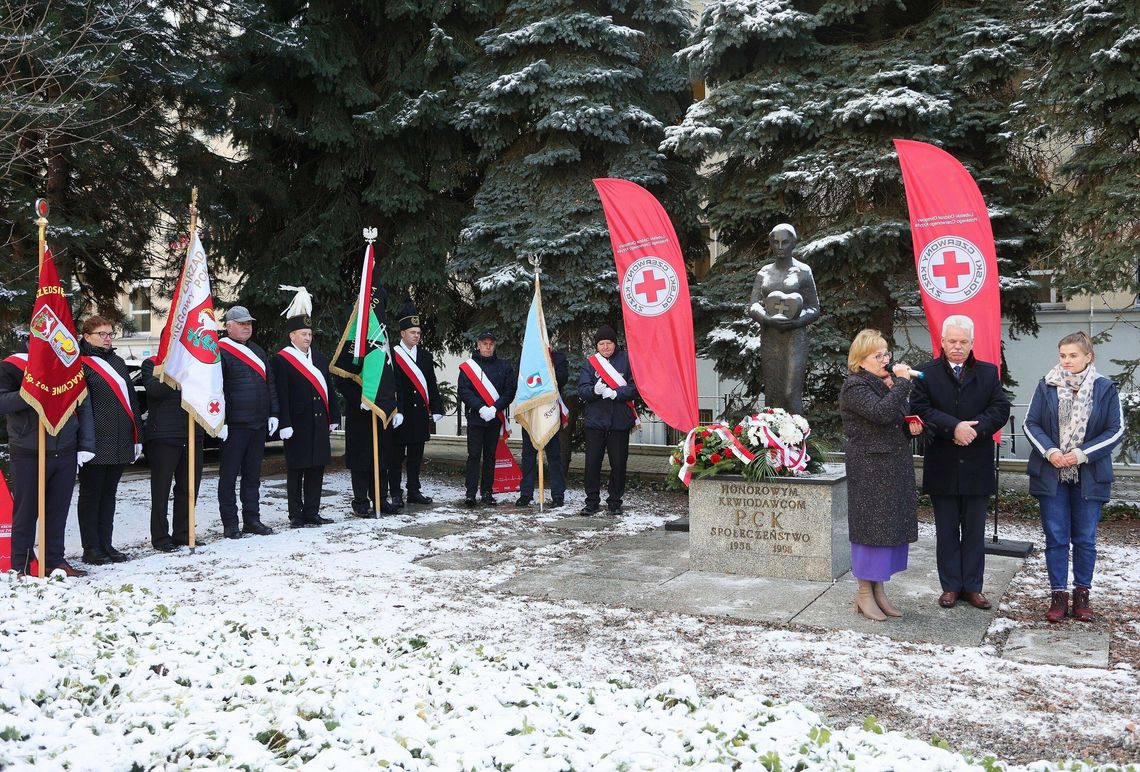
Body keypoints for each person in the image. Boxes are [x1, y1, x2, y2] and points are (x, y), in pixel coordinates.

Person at [911, 314, 1010, 610]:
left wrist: (973, 430)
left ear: (972, 343)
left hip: (976, 463)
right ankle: (951, 586)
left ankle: (973, 587)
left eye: (963, 342)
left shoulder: (989, 372)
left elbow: (1000, 408)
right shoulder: (925, 373)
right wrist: (953, 426)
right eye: (952, 341)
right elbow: (920, 408)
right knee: (946, 530)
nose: (957, 347)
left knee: (974, 531)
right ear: (942, 342)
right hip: (943, 464)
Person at [1023, 331, 1123, 623]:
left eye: (1073, 355)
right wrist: (1051, 451)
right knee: (1055, 537)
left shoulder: (1105, 388)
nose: (1066, 361)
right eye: (1063, 355)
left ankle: (1082, 595)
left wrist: (1081, 454)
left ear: (1088, 357)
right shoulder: (1046, 385)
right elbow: (1032, 424)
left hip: (1089, 475)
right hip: (1051, 474)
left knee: (1085, 539)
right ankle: (1058, 595)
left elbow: (1114, 431)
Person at [838, 329, 923, 620]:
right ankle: (863, 594)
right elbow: (880, 413)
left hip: (893, 465)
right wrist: (900, 383)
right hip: (870, 470)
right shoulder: (855, 386)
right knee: (870, 531)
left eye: (887, 353)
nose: (886, 359)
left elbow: (893, 419)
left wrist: (910, 425)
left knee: (888, 530)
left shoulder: (885, 384)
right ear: (861, 359)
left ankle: (879, 591)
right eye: (879, 355)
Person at [1, 345, 94, 575]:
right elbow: (3, 402)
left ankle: (54, 560)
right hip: (28, 449)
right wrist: (31, 393)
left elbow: (83, 405)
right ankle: (21, 566)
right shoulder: (12, 366)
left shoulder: (68, 367)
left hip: (64, 448)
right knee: (26, 511)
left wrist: (85, 444)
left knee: (57, 511)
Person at [272, 288, 341, 528]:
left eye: (310, 334)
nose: (307, 338)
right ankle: (296, 514)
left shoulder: (319, 359)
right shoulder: (282, 360)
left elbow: (329, 390)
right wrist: (284, 422)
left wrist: (334, 416)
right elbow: (280, 394)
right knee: (297, 470)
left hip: (319, 422)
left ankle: (312, 511)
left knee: (316, 469)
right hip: (297, 424)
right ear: (292, 336)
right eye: (303, 334)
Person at [77, 316, 142, 564]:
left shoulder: (117, 361)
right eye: (101, 334)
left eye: (110, 334)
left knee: (109, 495)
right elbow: (80, 406)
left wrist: (138, 435)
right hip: (94, 441)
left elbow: (132, 401)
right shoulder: (80, 364)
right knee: (91, 495)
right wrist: (83, 442)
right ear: (86, 336)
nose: (107, 338)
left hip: (120, 438)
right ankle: (91, 548)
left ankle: (106, 543)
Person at [217, 305, 279, 538]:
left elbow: (269, 384)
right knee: (229, 476)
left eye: (249, 323)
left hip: (257, 423)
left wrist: (274, 413)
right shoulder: (220, 350)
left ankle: (252, 519)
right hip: (233, 425)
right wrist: (220, 421)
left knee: (253, 477)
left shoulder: (258, 351)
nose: (246, 327)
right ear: (228, 326)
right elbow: (216, 388)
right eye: (241, 323)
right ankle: (230, 523)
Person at [748, 223, 821, 415]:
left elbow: (814, 308)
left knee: (790, 393)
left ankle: (796, 441)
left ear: (793, 243)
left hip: (795, 337)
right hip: (770, 336)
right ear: (771, 244)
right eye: (776, 242)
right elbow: (754, 305)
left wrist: (796, 322)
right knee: (772, 394)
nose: (780, 247)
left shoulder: (803, 271)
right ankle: (772, 442)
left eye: (785, 242)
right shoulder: (764, 272)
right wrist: (767, 319)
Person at [142, 353, 204, 551]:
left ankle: (183, 533)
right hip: (163, 435)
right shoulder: (151, 363)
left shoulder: (196, 364)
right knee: (161, 490)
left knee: (189, 488)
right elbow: (154, 390)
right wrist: (176, 371)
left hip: (192, 433)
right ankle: (160, 537)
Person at [333, 342, 400, 517]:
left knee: (382, 457)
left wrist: (394, 408)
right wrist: (359, 400)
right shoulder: (353, 345)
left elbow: (391, 378)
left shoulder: (384, 344)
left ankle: (381, 498)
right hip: (359, 414)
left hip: (381, 411)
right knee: (360, 459)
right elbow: (341, 378)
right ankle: (361, 501)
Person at [577, 324, 639, 516]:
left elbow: (635, 387)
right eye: (601, 343)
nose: (605, 347)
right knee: (592, 464)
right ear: (597, 346)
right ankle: (592, 501)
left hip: (619, 422)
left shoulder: (627, 360)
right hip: (595, 423)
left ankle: (615, 501)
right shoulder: (590, 363)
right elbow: (582, 389)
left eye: (609, 343)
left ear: (615, 343)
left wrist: (616, 393)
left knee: (619, 464)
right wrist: (594, 391)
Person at [389, 300, 443, 506]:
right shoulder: (392, 354)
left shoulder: (425, 356)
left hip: (419, 415)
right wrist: (398, 410)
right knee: (395, 458)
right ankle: (395, 492)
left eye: (418, 332)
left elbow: (431, 384)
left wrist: (437, 407)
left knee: (415, 457)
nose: (417, 336)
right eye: (412, 332)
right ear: (402, 333)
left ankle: (414, 490)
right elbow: (394, 386)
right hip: (400, 416)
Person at [457, 331, 516, 507]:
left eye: (491, 344)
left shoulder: (504, 366)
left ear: (495, 345)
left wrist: (495, 408)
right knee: (474, 455)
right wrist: (481, 407)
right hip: (476, 417)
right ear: (478, 345)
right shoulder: (469, 367)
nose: (488, 347)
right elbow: (464, 390)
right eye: (484, 343)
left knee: (490, 456)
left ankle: (487, 492)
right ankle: (470, 493)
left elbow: (510, 391)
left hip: (494, 417)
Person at [517, 347, 569, 508]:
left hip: (550, 413)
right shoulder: (527, 359)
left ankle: (558, 495)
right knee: (528, 456)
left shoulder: (558, 358)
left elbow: (562, 378)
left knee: (554, 456)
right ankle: (526, 494)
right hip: (531, 413)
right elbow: (518, 380)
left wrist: (545, 369)